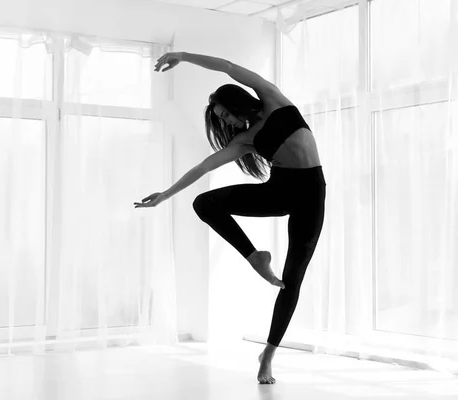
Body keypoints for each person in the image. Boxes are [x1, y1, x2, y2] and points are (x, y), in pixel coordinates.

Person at [134, 52, 326, 384]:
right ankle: (255, 257)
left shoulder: (273, 100)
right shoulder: (245, 140)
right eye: (221, 119)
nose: (226, 123)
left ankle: (267, 355)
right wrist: (164, 195)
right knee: (205, 203)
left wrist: (183, 56)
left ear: (237, 102)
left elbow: (228, 67)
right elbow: (203, 168)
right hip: (279, 192)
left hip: (311, 195)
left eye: (225, 114)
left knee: (292, 280)